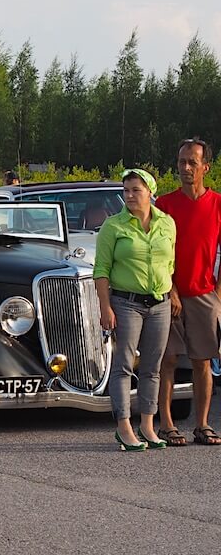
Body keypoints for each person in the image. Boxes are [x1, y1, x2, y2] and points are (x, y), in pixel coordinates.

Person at [93, 168, 176, 451]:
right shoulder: (113, 226)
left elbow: (170, 264)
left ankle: (149, 426)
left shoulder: (167, 223)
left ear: (150, 192)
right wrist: (105, 307)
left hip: (160, 303)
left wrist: (169, 292)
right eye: (126, 190)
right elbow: (101, 271)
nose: (129, 195)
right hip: (126, 303)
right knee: (124, 366)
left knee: (153, 367)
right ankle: (124, 427)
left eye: (135, 190)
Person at [156, 138, 221, 447]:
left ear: (205, 167)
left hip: (205, 295)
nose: (185, 167)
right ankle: (167, 425)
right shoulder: (165, 205)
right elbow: (157, 252)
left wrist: (218, 292)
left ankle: (203, 424)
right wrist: (172, 291)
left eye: (192, 162)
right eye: (181, 161)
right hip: (170, 294)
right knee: (168, 359)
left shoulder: (218, 204)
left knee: (202, 361)